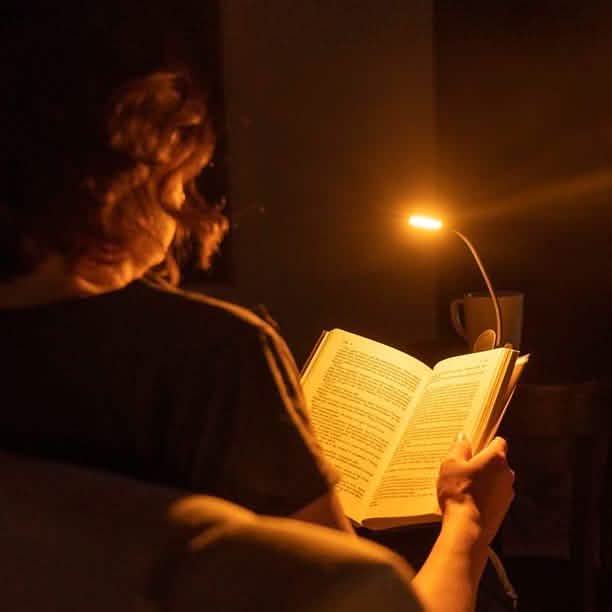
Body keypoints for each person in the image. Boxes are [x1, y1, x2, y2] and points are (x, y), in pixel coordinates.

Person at [0, 6, 515, 611]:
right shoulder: (210, 360)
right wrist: (468, 522)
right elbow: (355, 599)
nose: (185, 198)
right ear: (136, 169)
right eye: (183, 174)